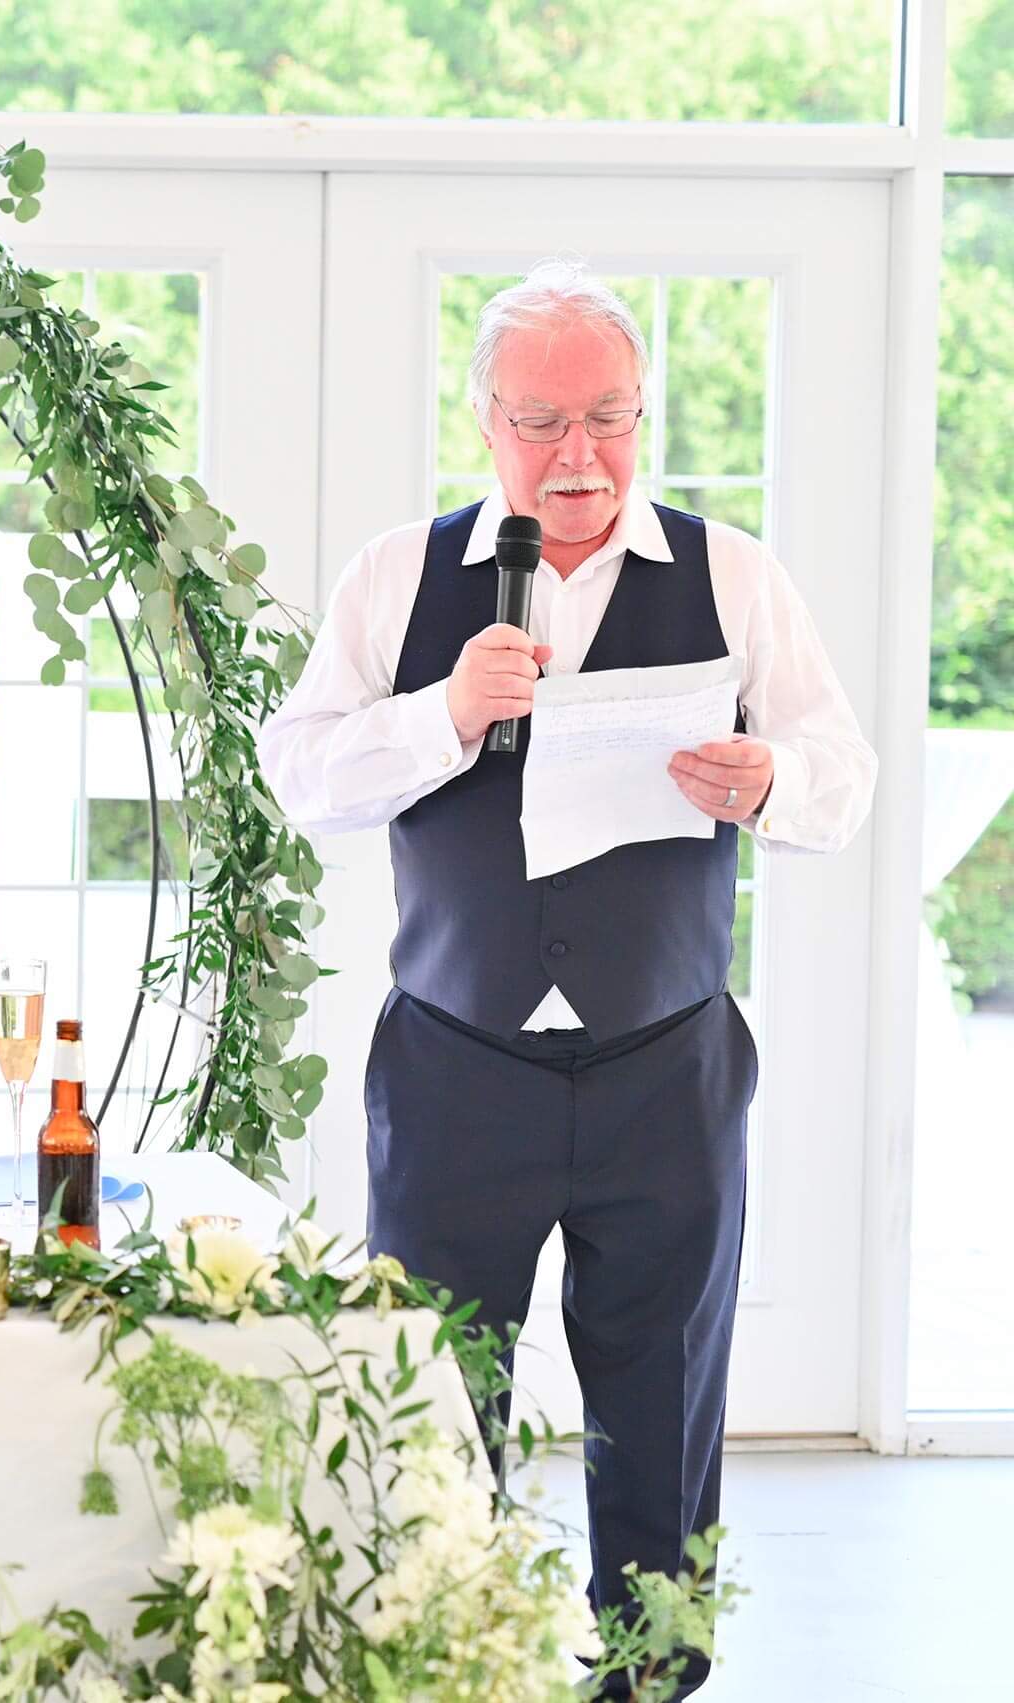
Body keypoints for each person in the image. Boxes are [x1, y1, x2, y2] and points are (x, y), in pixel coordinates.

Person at [258, 259, 874, 1696]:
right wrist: (443, 715)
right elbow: (300, 773)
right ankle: (445, 1662)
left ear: (643, 412)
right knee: (430, 1399)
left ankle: (651, 1674)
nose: (580, 455)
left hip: (669, 1063)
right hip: (455, 1060)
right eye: (544, 421)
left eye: (610, 417)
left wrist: (769, 775)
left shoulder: (730, 573)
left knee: (662, 1403)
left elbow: (841, 775)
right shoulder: (399, 574)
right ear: (487, 419)